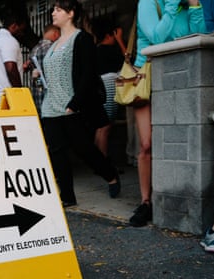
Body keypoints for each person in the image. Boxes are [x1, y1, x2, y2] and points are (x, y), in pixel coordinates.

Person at [129, 0, 206, 227]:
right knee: (147, 143)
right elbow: (157, 38)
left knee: (174, 142)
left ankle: (170, 198)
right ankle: (145, 202)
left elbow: (197, 35)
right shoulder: (148, 2)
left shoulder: (185, 5)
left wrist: (193, 7)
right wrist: (172, 5)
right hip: (148, 79)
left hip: (180, 77)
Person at [41, 0, 121, 207]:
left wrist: (74, 103)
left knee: (84, 149)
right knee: (56, 151)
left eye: (58, 9)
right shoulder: (54, 44)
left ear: (71, 13)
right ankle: (67, 196)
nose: (53, 13)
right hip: (50, 106)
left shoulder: (82, 38)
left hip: (71, 105)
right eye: (53, 9)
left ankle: (110, 175)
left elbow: (87, 73)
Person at [92, 17, 126, 156]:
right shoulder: (110, 50)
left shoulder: (96, 50)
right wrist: (120, 41)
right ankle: (103, 162)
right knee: (106, 127)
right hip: (110, 87)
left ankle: (98, 161)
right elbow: (128, 60)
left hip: (99, 88)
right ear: (109, 35)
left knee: (100, 127)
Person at [0, 13, 27, 109]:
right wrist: (19, 94)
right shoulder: (9, 40)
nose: (22, 33)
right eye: (21, 30)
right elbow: (10, 68)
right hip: (7, 99)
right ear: (13, 26)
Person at [23, 24, 61, 116]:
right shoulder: (52, 48)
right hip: (51, 97)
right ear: (56, 34)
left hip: (37, 94)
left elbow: (36, 76)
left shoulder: (34, 49)